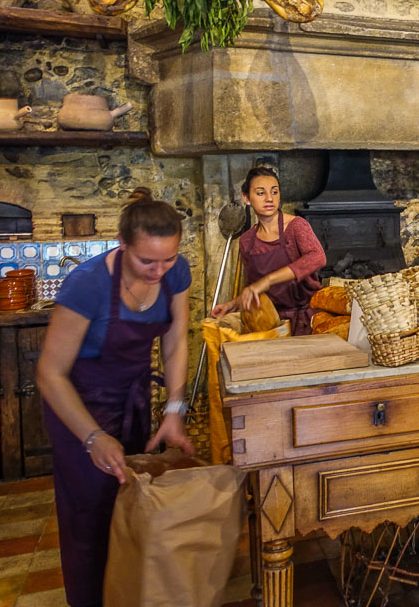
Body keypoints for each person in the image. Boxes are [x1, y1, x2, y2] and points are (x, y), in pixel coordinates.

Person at [37, 188, 194, 607]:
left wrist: (174, 409)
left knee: (132, 510)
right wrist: (91, 437)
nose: (159, 271)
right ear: (122, 245)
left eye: (168, 259)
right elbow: (50, 375)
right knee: (90, 519)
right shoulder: (86, 286)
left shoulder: (176, 273)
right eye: (147, 260)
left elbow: (176, 341)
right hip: (78, 407)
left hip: (133, 401)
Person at [211, 166, 326, 335]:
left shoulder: (296, 226)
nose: (269, 198)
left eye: (274, 192)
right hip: (270, 324)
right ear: (246, 198)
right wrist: (231, 305)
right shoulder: (247, 241)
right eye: (260, 193)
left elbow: (318, 257)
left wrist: (268, 280)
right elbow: (253, 289)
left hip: (306, 322)